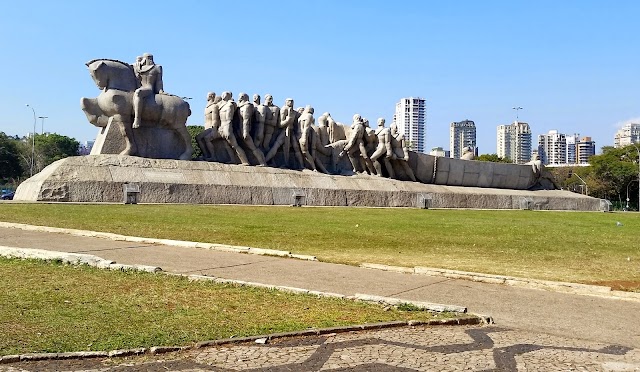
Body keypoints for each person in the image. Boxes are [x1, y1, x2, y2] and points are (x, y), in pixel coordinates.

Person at [217, 91, 250, 165]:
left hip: (227, 126)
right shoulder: (222, 105)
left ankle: (245, 161)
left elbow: (229, 118)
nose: (222, 95)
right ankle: (232, 159)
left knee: (234, 145)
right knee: (226, 144)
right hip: (222, 126)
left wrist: (227, 128)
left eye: (224, 94)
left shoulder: (230, 105)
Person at [132, 53, 164, 129]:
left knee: (138, 93)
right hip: (139, 87)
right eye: (147, 58)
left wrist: (160, 90)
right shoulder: (139, 67)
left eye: (151, 58)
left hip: (148, 88)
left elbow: (159, 81)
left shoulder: (157, 67)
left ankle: (137, 118)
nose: (150, 59)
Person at [237, 93, 266, 166]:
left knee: (253, 147)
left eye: (242, 96)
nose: (240, 97)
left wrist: (245, 132)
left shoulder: (247, 106)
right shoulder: (241, 106)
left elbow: (246, 120)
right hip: (240, 129)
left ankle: (262, 162)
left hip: (245, 130)